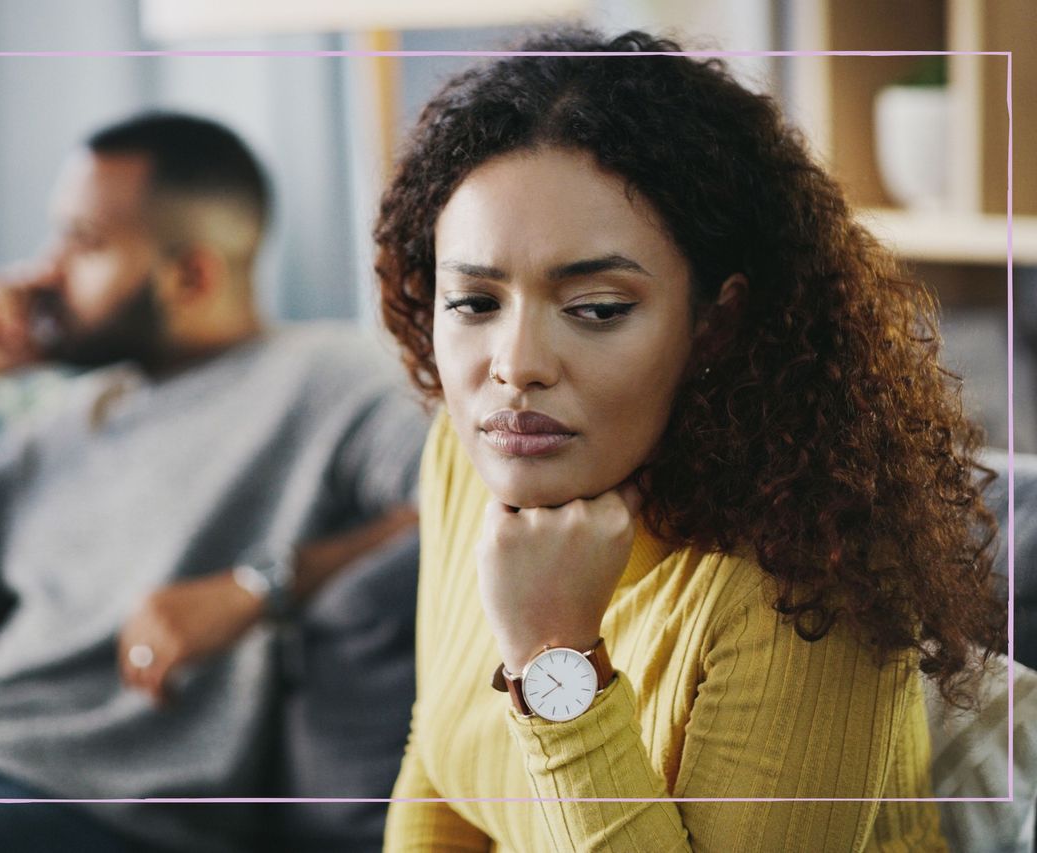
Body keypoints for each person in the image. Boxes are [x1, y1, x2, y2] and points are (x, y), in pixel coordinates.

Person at [374, 29, 1006, 852]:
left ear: (715, 321)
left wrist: (556, 654)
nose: (516, 368)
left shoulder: (807, 584)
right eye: (473, 303)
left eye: (597, 308)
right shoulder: (472, 460)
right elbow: (441, 774)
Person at [0, 111, 427, 851]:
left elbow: (465, 498)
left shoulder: (329, 377)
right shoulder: (83, 412)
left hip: (82, 804)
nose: (44, 270)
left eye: (84, 242)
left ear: (192, 275)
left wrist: (258, 584)